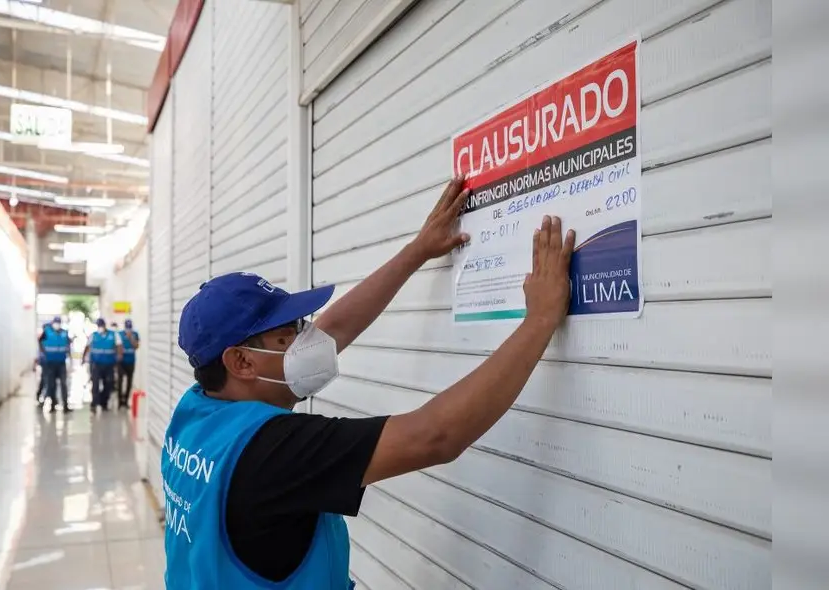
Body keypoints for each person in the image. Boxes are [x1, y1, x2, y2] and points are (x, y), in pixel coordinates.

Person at [162, 176, 575, 589]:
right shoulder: (272, 452)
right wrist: (539, 320)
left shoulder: (197, 413)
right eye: (287, 335)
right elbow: (434, 437)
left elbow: (333, 331)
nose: (306, 340)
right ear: (241, 361)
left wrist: (417, 250)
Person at [85, 318, 123, 412]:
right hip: (96, 364)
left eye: (101, 326)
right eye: (99, 326)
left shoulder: (113, 335)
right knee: (95, 384)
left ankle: (103, 402)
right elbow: (87, 346)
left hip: (109, 364)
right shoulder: (94, 335)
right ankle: (94, 404)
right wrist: (83, 358)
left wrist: (119, 356)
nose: (100, 328)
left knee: (109, 384)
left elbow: (119, 346)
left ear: (104, 326)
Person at [38, 316, 72, 413]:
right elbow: (40, 341)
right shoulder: (47, 332)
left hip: (61, 363)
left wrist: (70, 359)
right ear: (52, 323)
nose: (57, 325)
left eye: (58, 323)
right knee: (51, 384)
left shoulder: (64, 333)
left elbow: (68, 345)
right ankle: (52, 405)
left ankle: (65, 406)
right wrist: (43, 353)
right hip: (50, 363)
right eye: (56, 323)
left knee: (63, 384)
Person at [117, 319, 140, 409]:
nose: (128, 330)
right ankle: (120, 401)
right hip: (121, 362)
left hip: (131, 361)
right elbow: (116, 346)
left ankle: (126, 401)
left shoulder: (135, 334)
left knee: (129, 382)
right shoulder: (119, 334)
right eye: (127, 328)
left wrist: (131, 338)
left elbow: (136, 346)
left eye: (129, 328)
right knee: (120, 380)